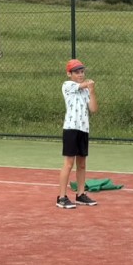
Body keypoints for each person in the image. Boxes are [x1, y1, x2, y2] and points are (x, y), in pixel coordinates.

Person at [56, 59, 99, 209]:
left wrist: (92, 91)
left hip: (83, 129)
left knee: (82, 164)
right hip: (71, 129)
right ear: (69, 74)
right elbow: (81, 85)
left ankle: (80, 194)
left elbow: (93, 109)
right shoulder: (67, 85)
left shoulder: (86, 90)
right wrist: (88, 84)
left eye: (82, 72)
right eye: (77, 72)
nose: (80, 74)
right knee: (69, 163)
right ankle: (61, 197)